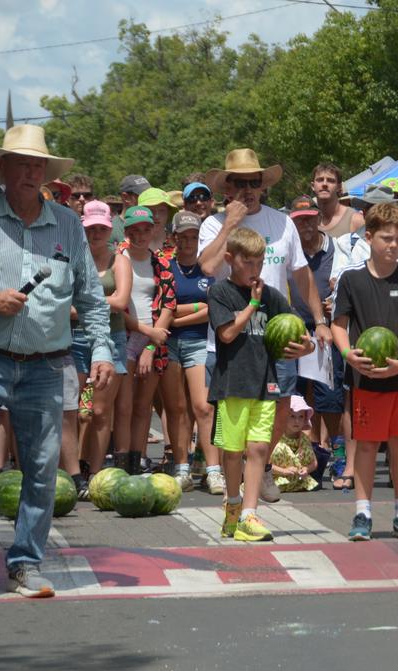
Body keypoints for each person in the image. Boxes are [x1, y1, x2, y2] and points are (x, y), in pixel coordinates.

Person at [0, 125, 114, 600]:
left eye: (37, 164)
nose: (30, 172)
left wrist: (101, 349)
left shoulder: (67, 224)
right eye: (21, 163)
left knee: (43, 468)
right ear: (2, 169)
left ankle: (25, 563)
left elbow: (92, 297)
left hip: (47, 365)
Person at [199, 147, 330, 502]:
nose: (248, 189)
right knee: (231, 422)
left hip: (274, 337)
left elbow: (301, 275)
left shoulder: (282, 222)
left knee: (280, 409)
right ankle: (235, 487)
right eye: (240, 182)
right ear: (227, 187)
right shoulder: (213, 223)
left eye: (254, 182)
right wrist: (229, 223)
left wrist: (318, 321)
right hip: (230, 338)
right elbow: (208, 268)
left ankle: (263, 468)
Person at [332, 202, 398, 542]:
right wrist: (348, 356)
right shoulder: (351, 279)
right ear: (368, 237)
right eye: (387, 238)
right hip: (365, 376)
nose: (394, 245)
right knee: (367, 446)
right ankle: (363, 512)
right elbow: (339, 325)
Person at [209, 227, 310, 541]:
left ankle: (250, 515)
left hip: (265, 382)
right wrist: (251, 306)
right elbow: (226, 334)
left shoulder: (271, 295)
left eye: (260, 262)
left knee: (259, 448)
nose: (255, 270)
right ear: (230, 259)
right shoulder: (220, 293)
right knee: (231, 451)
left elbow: (297, 329)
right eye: (249, 262)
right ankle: (233, 506)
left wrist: (306, 346)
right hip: (232, 383)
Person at [159, 211, 221, 492]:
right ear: (173, 238)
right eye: (182, 237)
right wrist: (197, 308)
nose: (187, 242)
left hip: (198, 342)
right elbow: (160, 309)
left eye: (193, 237)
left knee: (203, 406)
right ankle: (182, 467)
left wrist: (176, 315)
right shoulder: (165, 268)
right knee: (176, 408)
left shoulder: (207, 270)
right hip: (168, 343)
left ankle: (213, 469)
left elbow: (214, 310)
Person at [117, 206, 177, 475]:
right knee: (125, 404)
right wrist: (146, 331)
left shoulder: (161, 263)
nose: (141, 235)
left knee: (143, 405)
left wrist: (152, 344)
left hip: (153, 340)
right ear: (127, 232)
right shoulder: (118, 258)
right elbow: (117, 307)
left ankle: (138, 458)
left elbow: (168, 305)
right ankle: (121, 460)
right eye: (135, 230)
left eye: (145, 229)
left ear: (153, 230)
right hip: (126, 334)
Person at [75, 201, 132, 481]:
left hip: (112, 338)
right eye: (91, 228)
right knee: (71, 410)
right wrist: (92, 305)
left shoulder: (119, 261)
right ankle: (71, 470)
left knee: (99, 410)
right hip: (74, 337)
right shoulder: (74, 259)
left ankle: (94, 473)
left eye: (101, 229)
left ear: (109, 230)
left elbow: (121, 301)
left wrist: (83, 305)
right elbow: (62, 303)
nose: (96, 234)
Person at [287, 195, 344, 448]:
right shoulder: (288, 251)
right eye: (300, 222)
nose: (306, 227)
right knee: (294, 394)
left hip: (328, 329)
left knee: (329, 397)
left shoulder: (337, 249)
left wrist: (338, 302)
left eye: (310, 220)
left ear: (319, 218)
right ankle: (295, 450)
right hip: (293, 329)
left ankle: (337, 449)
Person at [271, 395, 319, 493]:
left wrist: (306, 469)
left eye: (301, 417)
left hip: (300, 482)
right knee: (279, 448)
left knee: (305, 448)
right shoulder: (274, 437)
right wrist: (283, 471)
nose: (296, 421)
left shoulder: (304, 439)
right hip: (275, 480)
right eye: (292, 416)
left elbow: (314, 463)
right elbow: (263, 464)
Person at [313, 162, 362, 238]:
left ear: (339, 187)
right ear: (313, 186)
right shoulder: (307, 223)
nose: (325, 184)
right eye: (320, 180)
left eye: (330, 180)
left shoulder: (355, 220)